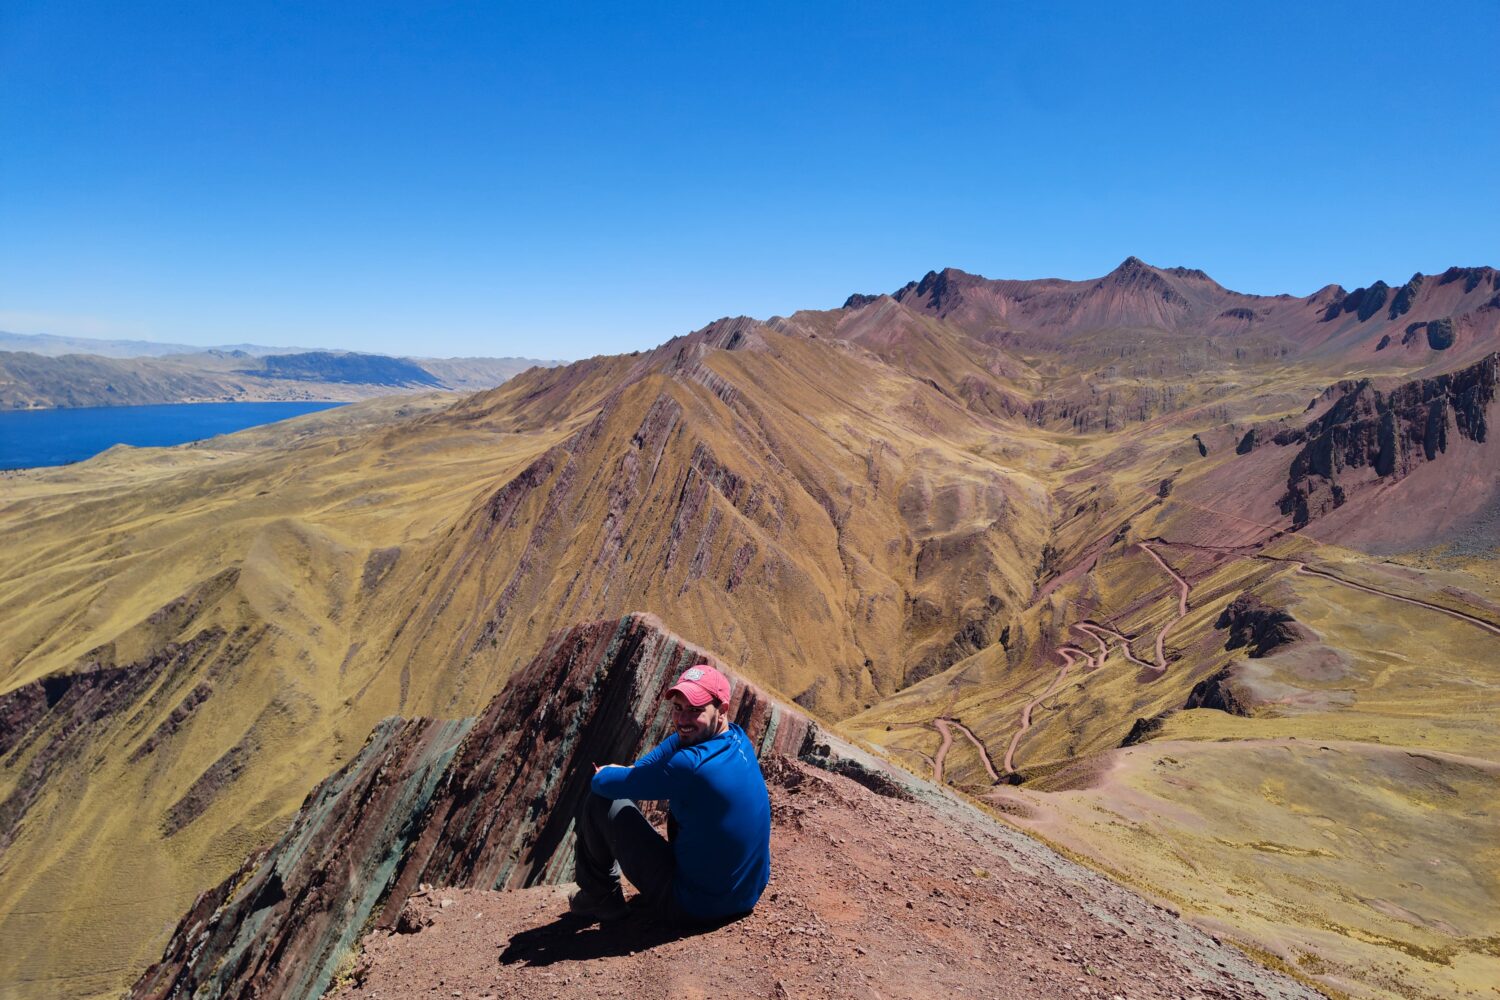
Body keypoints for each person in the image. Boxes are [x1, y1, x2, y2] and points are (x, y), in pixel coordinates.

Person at [569, 663, 771, 925]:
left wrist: (611, 772)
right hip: (746, 893)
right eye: (678, 708)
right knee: (687, 804)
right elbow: (665, 752)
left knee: (600, 803)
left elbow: (603, 784)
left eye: (695, 710)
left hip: (694, 906)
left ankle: (600, 898)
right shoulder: (737, 736)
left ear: (721, 710)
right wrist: (635, 771)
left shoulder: (689, 766)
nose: (683, 719)